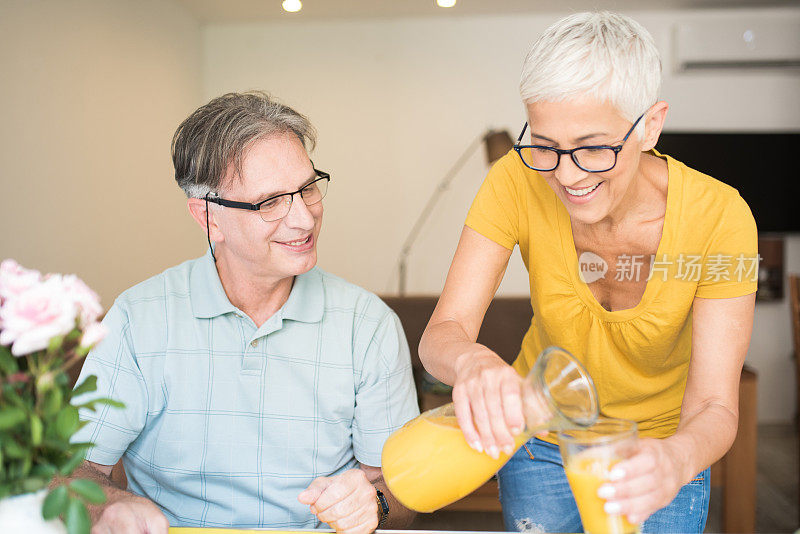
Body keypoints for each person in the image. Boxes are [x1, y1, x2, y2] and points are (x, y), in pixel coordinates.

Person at [419, 11, 757, 534]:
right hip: (540, 443)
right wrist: (471, 362)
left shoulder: (721, 218)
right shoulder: (516, 179)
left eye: (594, 147)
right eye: (547, 147)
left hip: (661, 450)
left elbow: (714, 404)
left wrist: (676, 460)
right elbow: (443, 334)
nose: (567, 175)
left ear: (650, 124)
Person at [70, 91, 419, 533]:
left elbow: (402, 492)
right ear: (208, 218)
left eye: (308, 189)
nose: (305, 220)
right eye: (270, 202)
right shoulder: (138, 319)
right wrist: (111, 508)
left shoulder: (368, 325)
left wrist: (376, 504)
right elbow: (71, 472)